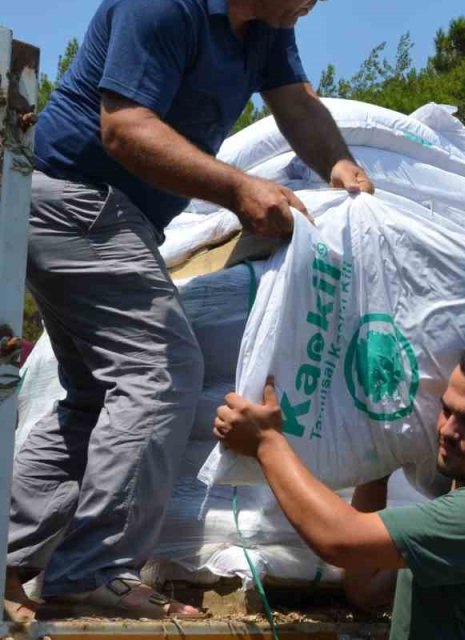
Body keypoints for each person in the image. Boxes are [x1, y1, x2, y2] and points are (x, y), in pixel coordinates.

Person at [9, 0, 373, 620]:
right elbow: (123, 127)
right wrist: (237, 187)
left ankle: (12, 556)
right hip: (79, 198)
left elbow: (297, 103)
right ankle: (92, 572)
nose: (313, 5)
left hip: (103, 210)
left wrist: (339, 163)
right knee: (162, 369)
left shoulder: (265, 25)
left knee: (97, 397)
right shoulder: (162, 6)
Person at [213, 341, 465, 640]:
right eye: (447, 410)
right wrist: (377, 465)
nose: (447, 430)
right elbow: (366, 589)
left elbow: (339, 540)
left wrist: (266, 442)